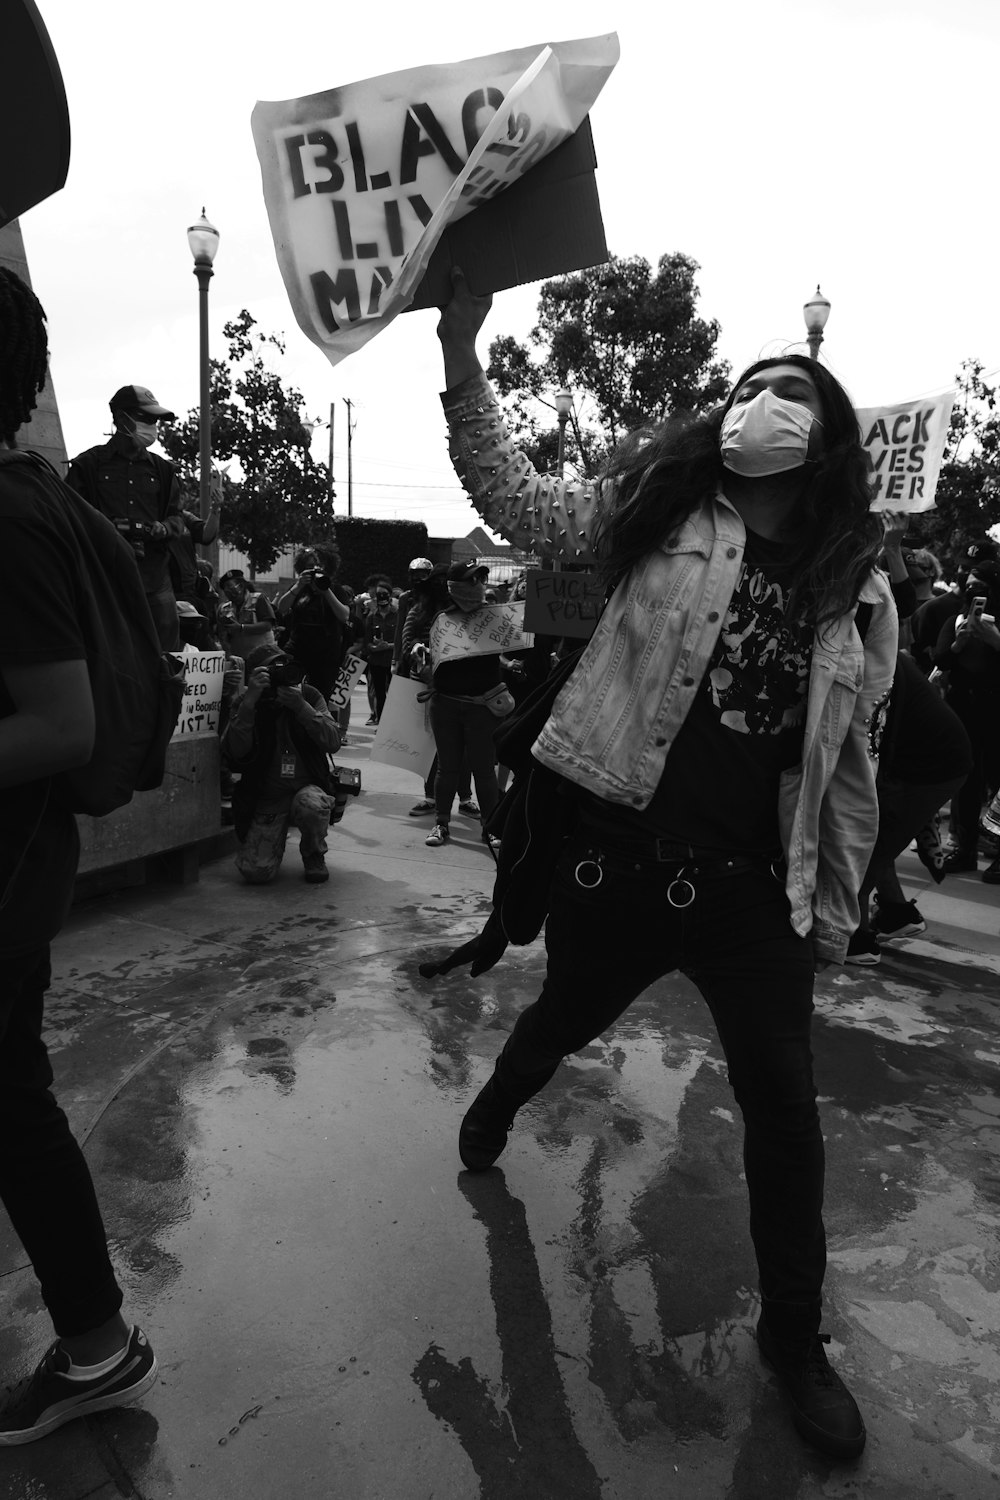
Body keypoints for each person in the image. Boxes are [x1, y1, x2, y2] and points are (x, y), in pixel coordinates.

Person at [433, 273, 897, 1461]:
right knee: (562, 1019)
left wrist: (833, 908)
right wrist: (459, 347)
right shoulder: (655, 515)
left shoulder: (856, 588)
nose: (763, 401)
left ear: (827, 440)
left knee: (784, 1117)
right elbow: (514, 498)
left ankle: (793, 1338)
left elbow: (846, 769)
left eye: (792, 391)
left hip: (756, 899)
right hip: (625, 866)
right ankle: (498, 1100)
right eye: (751, 386)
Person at [0, 267, 157, 1444]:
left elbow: (60, 726)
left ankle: (94, 1345)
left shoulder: (8, 517)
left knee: (7, 1098)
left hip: (7, 851)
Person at [66, 383, 184, 651]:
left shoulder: (163, 471)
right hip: (105, 579)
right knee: (109, 653)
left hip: (154, 579)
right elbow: (70, 518)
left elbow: (177, 518)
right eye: (147, 418)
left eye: (155, 420)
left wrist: (163, 529)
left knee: (164, 657)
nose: (153, 426)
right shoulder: (88, 465)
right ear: (122, 419)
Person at [222, 644, 341, 884]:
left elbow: (332, 741)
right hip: (268, 795)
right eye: (270, 670)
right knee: (255, 873)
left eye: (283, 666)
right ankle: (272, 839)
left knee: (312, 806)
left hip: (306, 789)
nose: (279, 674)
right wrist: (249, 703)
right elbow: (234, 751)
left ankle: (314, 853)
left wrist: (300, 707)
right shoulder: (249, 701)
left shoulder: (307, 695)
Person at [422, 561, 506, 850]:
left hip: (482, 708)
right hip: (445, 706)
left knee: (484, 770)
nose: (479, 585)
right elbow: (429, 664)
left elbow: (526, 641)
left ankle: (491, 827)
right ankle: (441, 822)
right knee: (448, 768)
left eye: (481, 579)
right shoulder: (442, 621)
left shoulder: (496, 618)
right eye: (472, 580)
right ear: (455, 587)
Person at [932, 560, 1000, 878]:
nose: (974, 592)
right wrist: (959, 643)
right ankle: (965, 848)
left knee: (996, 782)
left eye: (982, 587)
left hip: (994, 710)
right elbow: (940, 658)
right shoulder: (954, 619)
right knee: (966, 782)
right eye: (970, 585)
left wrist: (994, 639)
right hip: (963, 711)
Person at [273, 544, 352, 699]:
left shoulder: (335, 589)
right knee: (289, 689)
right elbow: (281, 608)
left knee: (321, 695)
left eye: (319, 566)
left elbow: (344, 616)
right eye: (310, 566)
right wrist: (298, 585)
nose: (315, 569)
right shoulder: (299, 588)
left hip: (326, 653)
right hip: (298, 648)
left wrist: (326, 590)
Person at [217, 568, 277, 660]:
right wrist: (228, 655)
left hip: (263, 656)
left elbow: (268, 625)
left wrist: (242, 628)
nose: (226, 590)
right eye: (224, 588)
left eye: (229, 586)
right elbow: (223, 636)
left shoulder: (258, 599)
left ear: (240, 586)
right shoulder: (224, 608)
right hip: (239, 658)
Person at [360, 581, 397, 723]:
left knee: (394, 695)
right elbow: (366, 642)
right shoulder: (371, 616)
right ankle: (381, 723)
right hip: (377, 661)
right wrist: (374, 648)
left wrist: (388, 646)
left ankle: (393, 724)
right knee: (380, 694)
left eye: (385, 595)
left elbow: (401, 639)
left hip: (392, 660)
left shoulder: (397, 614)